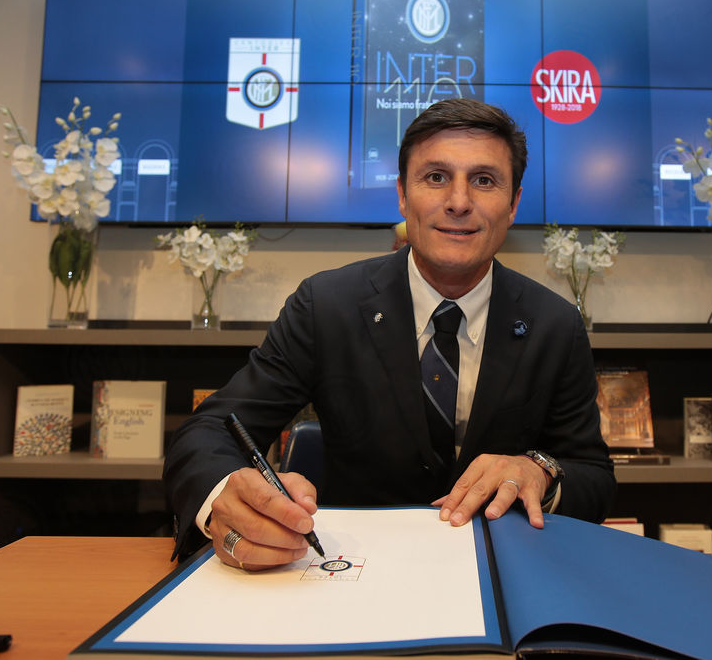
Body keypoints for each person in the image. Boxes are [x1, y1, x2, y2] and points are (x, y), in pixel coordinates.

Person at [163, 98, 615, 567]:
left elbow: (594, 477)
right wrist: (224, 499)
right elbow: (208, 430)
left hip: (504, 571)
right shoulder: (326, 306)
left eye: (484, 180)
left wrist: (539, 472)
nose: (459, 202)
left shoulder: (555, 326)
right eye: (435, 177)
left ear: (514, 203)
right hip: (354, 573)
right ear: (402, 195)